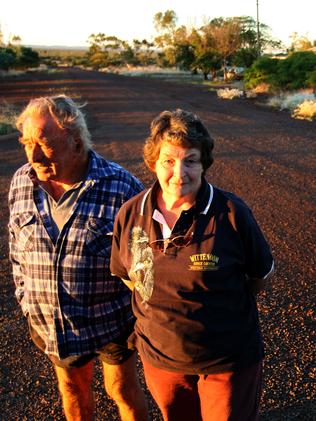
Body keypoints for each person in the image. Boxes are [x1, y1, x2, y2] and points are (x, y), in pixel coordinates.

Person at [110, 109, 274, 421]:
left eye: (191, 160)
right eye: (168, 161)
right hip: (161, 359)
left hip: (226, 360)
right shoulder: (131, 214)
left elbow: (261, 276)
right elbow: (128, 276)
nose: (179, 172)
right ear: (153, 162)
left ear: (204, 163)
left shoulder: (232, 213)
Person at [8, 95, 148, 421]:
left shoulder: (121, 187)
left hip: (112, 322)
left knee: (122, 390)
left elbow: (145, 265)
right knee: (72, 390)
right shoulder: (21, 182)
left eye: (45, 143)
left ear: (75, 141)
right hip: (54, 324)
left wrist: (144, 318)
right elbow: (16, 250)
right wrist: (27, 302)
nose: (34, 155)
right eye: (27, 143)